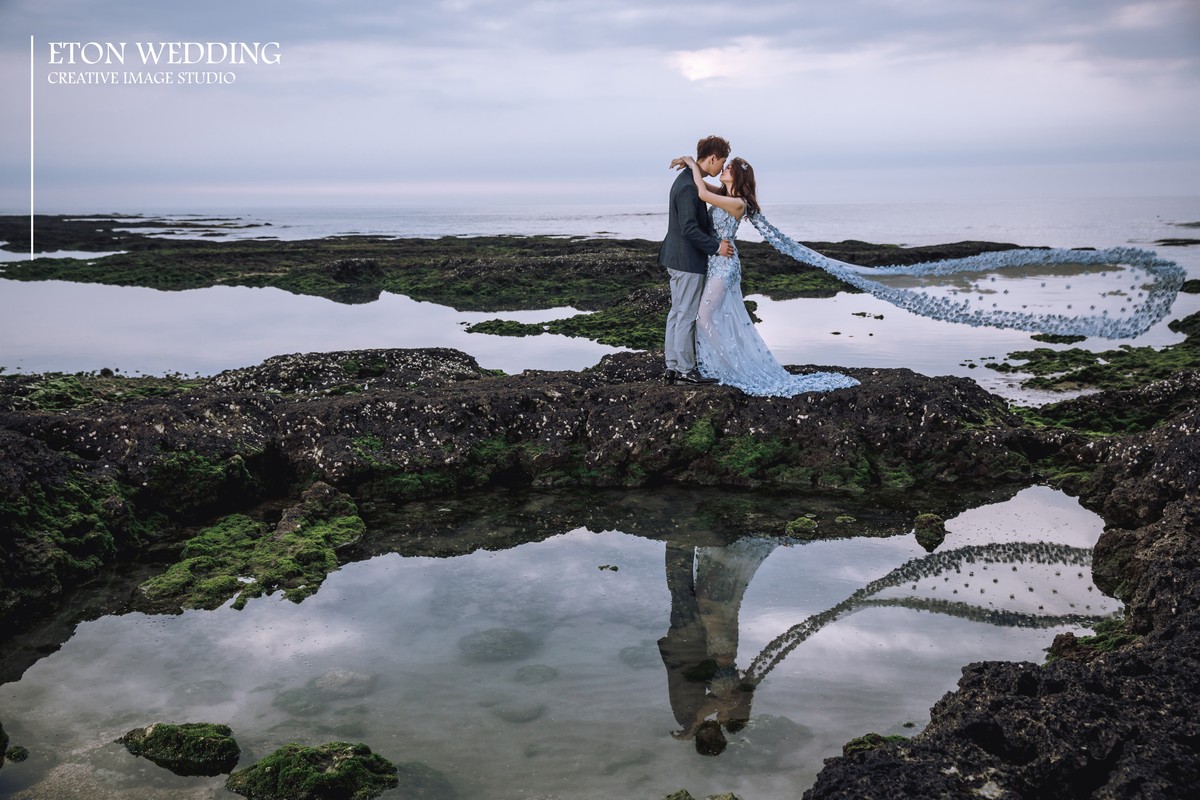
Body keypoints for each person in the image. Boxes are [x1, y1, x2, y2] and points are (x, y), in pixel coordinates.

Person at [674, 155, 860, 397]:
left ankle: (733, 368)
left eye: (728, 167)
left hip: (724, 265)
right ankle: (726, 365)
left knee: (704, 318)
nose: (723, 168)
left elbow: (702, 193)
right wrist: (695, 169)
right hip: (715, 260)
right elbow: (703, 187)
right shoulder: (726, 196)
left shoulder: (738, 203)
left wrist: (691, 163)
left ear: (737, 177)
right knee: (714, 317)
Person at [658, 136, 735, 386]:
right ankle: (685, 370)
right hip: (687, 260)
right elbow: (690, 229)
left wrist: (690, 163)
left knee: (677, 312)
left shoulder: (689, 180)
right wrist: (716, 247)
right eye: (721, 162)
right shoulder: (690, 187)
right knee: (687, 314)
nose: (721, 167)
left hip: (677, 257)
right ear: (712, 158)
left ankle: (672, 367)